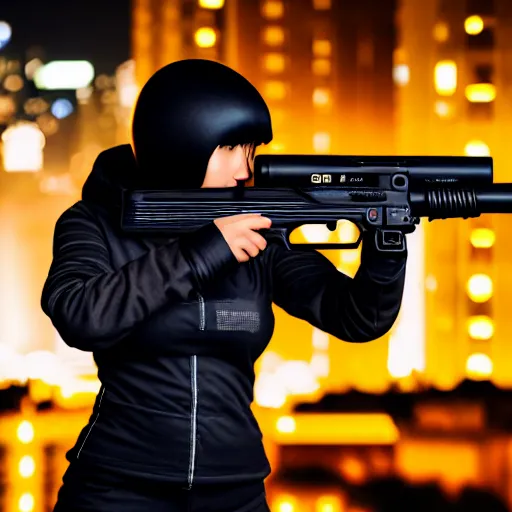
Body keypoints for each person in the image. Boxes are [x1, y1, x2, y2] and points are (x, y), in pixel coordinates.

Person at [41, 59, 408, 512]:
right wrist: (202, 252)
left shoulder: (259, 232)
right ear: (183, 141)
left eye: (251, 150)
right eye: (232, 147)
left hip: (235, 490)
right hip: (116, 488)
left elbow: (354, 316)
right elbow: (81, 316)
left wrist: (386, 250)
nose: (245, 168)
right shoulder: (93, 223)